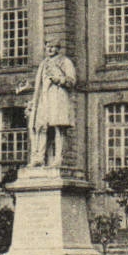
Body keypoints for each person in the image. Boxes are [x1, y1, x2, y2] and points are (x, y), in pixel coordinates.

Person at [19, 40, 78, 169]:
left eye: (53, 47)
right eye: (48, 47)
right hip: (43, 99)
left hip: (57, 99)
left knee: (58, 128)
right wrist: (28, 86)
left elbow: (72, 81)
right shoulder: (43, 64)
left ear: (58, 49)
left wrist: (60, 80)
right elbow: (39, 83)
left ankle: (58, 159)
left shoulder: (65, 61)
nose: (50, 49)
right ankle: (39, 158)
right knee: (41, 128)